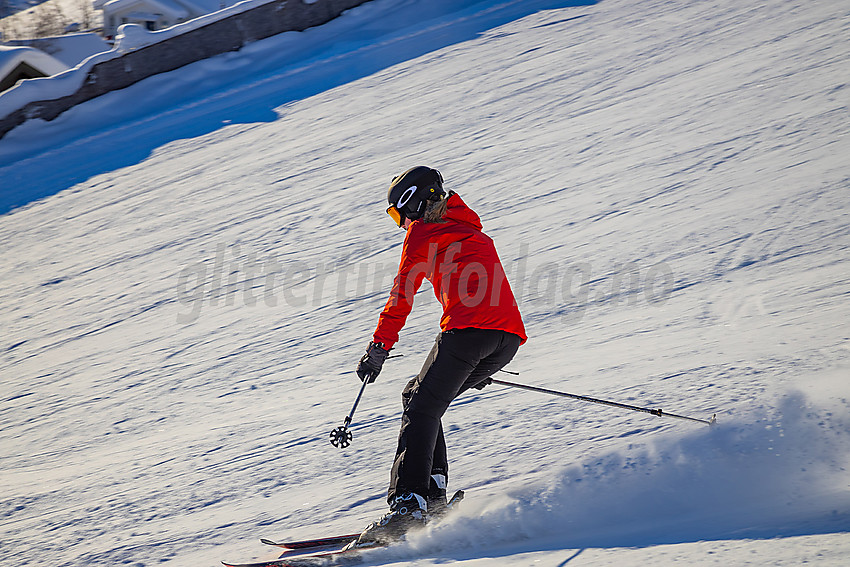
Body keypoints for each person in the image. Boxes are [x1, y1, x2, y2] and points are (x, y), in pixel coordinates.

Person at [351, 166, 527, 546]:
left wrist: (378, 348)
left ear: (414, 203)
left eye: (399, 214)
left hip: (466, 335)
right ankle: (431, 495)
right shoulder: (470, 225)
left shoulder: (420, 236)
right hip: (506, 340)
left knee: (420, 408)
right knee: (417, 396)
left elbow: (401, 298)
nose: (401, 224)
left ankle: (408, 505)